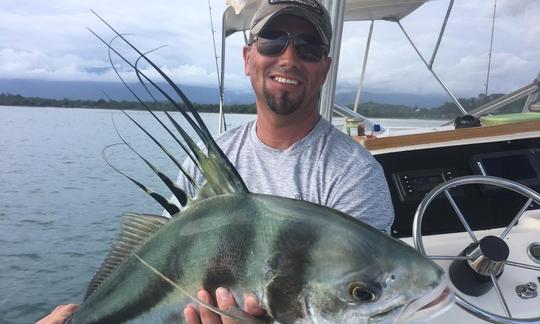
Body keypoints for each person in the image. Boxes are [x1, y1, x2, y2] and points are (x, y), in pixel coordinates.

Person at [38, 0, 394, 323]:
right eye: (272, 40)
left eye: (308, 46)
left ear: (324, 67)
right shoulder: (208, 158)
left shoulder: (354, 174)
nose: (288, 57)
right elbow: (161, 261)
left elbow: (359, 305)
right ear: (247, 58)